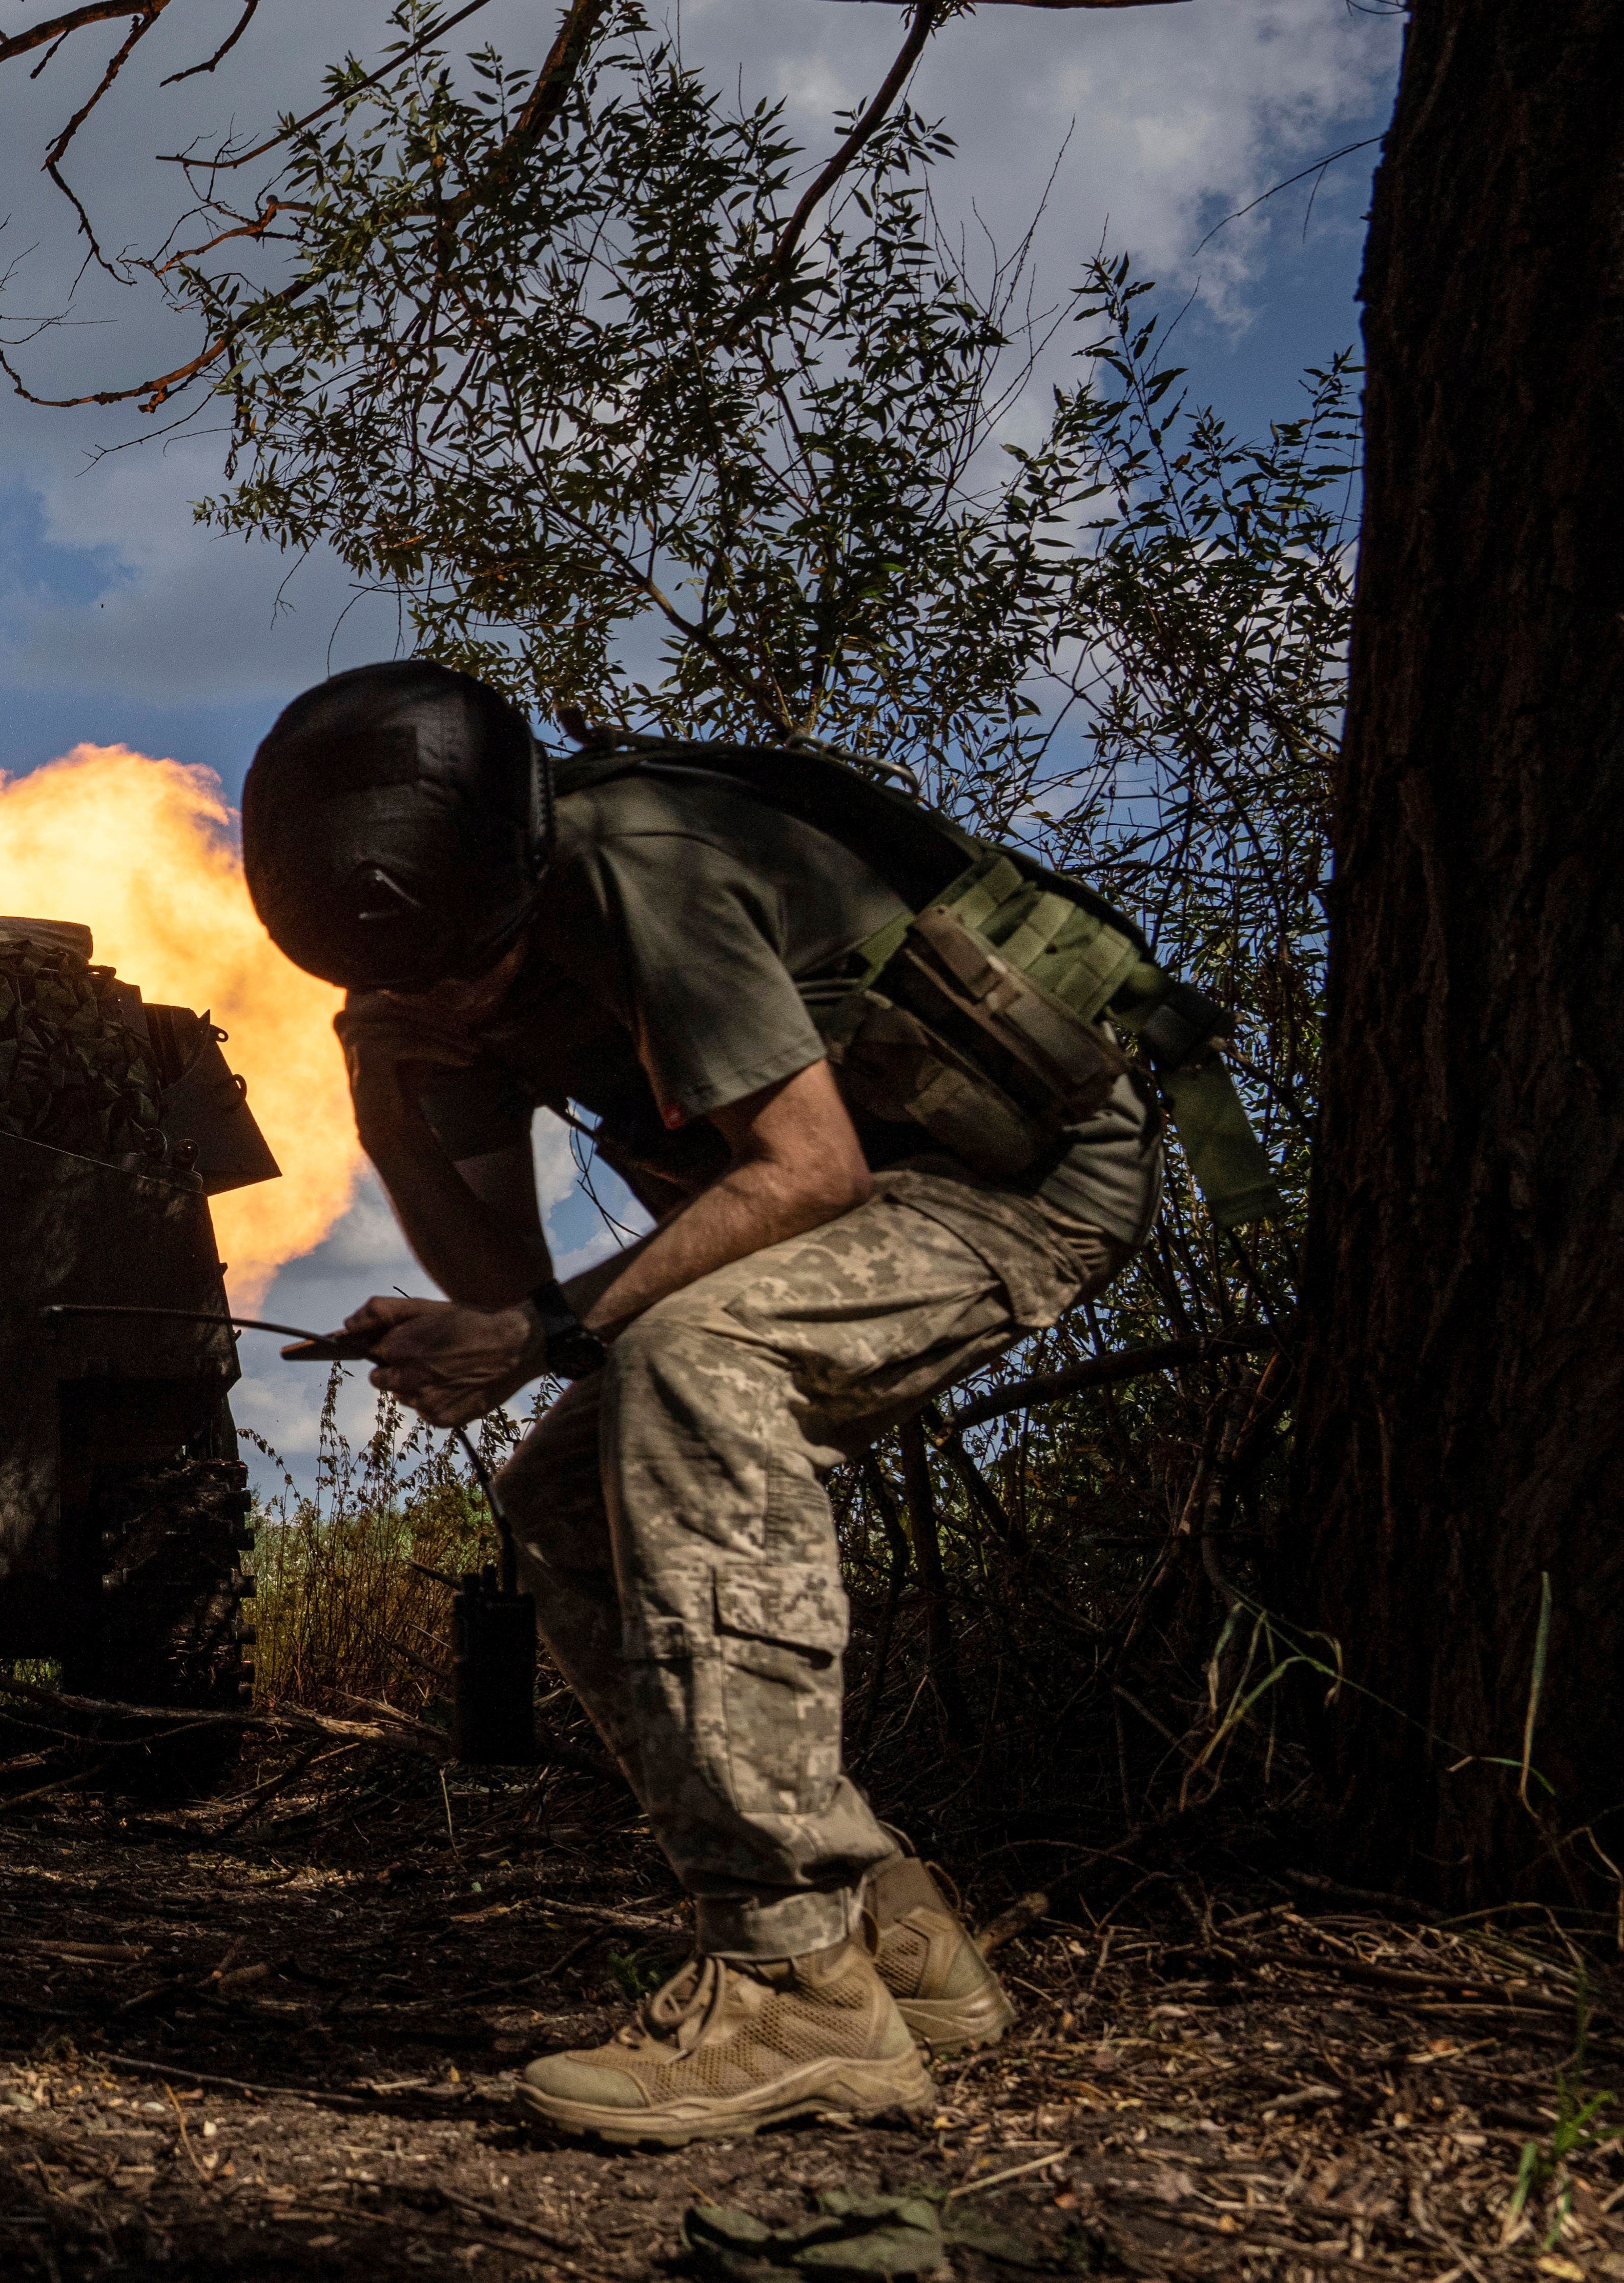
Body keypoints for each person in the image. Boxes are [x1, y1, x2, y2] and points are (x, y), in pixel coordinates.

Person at [241, 661, 1153, 2147]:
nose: (434, 998)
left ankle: (793, 1978)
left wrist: (537, 1329)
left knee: (692, 1360)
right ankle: (888, 1928)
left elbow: (809, 1173)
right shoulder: (403, 975)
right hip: (862, 1190)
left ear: (515, 874)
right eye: (397, 983)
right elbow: (499, 1284)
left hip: (1017, 1179)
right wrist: (400, 1114)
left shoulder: (637, 866)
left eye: (458, 968)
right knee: (554, 1484)